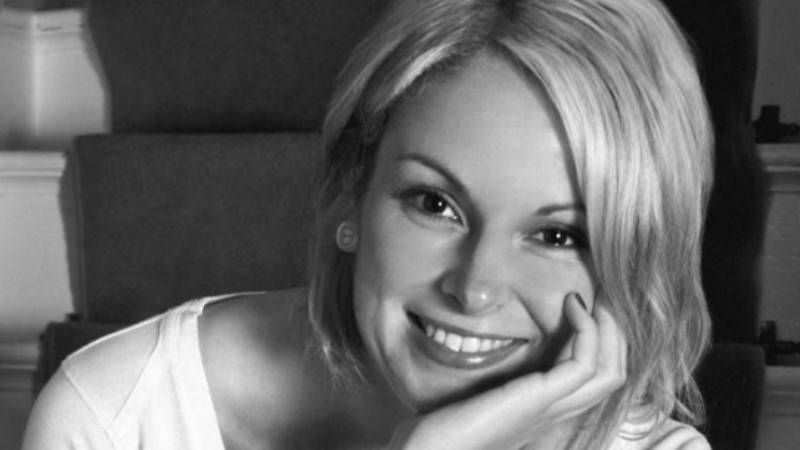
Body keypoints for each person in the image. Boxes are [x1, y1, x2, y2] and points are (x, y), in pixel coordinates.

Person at [23, 0, 713, 448]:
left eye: (559, 236)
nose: (475, 289)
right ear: (351, 192)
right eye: (434, 203)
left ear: (631, 258)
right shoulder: (119, 414)